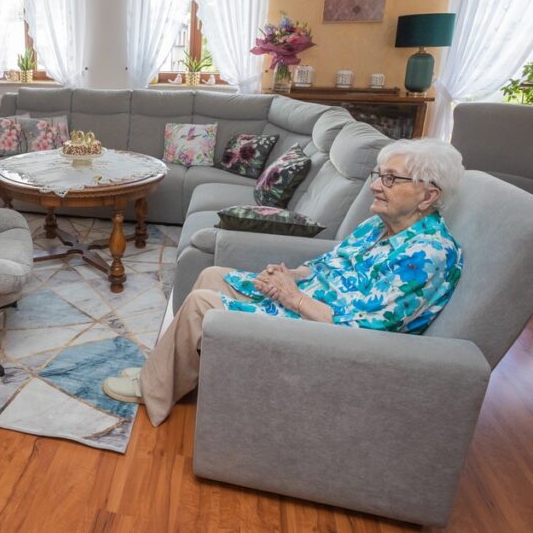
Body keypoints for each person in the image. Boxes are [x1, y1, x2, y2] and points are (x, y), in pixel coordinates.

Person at [103, 138, 465, 427]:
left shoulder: (427, 256)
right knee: (212, 275)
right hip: (310, 308)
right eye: (377, 175)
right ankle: (171, 374)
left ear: (428, 195)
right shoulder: (379, 225)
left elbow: (359, 328)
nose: (375, 186)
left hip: (329, 340)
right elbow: (330, 264)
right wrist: (291, 276)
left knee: (201, 305)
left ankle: (153, 388)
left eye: (390, 179)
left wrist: (292, 297)